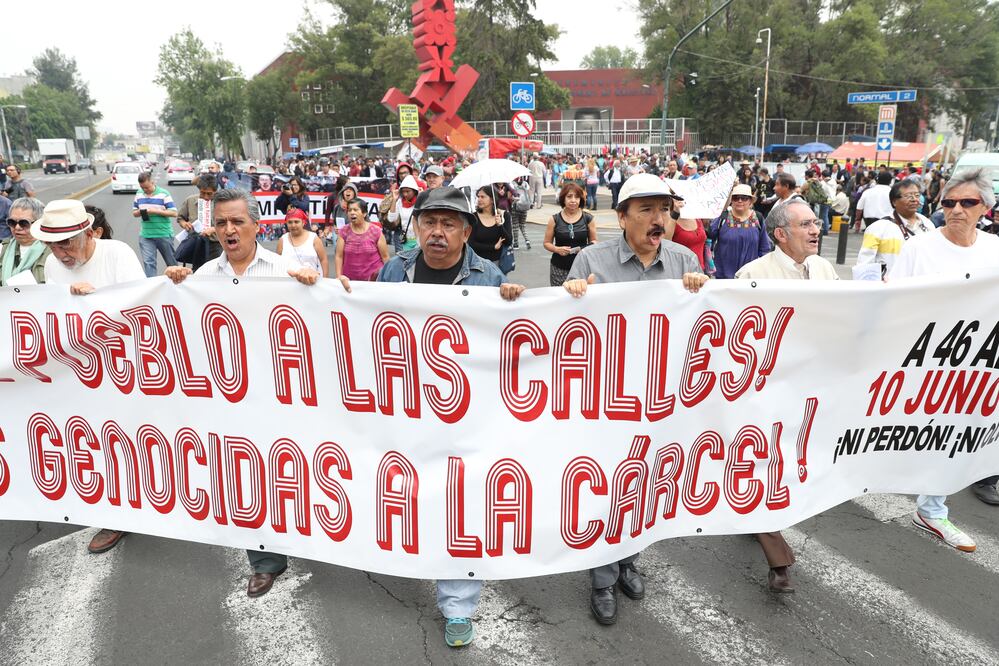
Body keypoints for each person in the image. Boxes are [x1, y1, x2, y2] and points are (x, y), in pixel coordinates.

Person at [342, 186, 525, 647]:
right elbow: (364, 322)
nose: (437, 232)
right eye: (429, 223)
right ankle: (403, 557)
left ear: (465, 232)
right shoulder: (395, 270)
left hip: (465, 416)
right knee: (404, 494)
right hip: (403, 409)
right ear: (417, 227)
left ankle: (458, 605)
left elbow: (510, 343)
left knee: (460, 505)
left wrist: (514, 302)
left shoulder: (488, 277)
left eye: (448, 224)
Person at [561, 173, 708, 626]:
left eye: (664, 209)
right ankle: (603, 578)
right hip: (607, 399)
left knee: (642, 486)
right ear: (622, 217)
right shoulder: (591, 260)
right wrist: (572, 296)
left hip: (660, 400)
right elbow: (562, 328)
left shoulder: (683, 260)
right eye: (646, 210)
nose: (658, 218)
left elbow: (706, 324)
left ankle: (628, 560)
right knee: (607, 488)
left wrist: (703, 290)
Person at [163, 188, 323, 597]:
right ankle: (265, 560)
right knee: (247, 476)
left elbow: (324, 322)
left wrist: (316, 287)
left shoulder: (286, 270)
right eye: (221, 223)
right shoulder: (202, 278)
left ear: (256, 225)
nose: (229, 229)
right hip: (232, 401)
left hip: (283, 396)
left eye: (237, 221)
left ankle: (314, 537)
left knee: (293, 471)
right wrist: (175, 288)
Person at [889, 168, 999, 522]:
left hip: (977, 361)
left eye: (967, 202)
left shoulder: (995, 250)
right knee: (918, 432)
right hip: (924, 358)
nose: (957, 210)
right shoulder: (918, 248)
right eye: (949, 203)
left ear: (985, 207)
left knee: (960, 430)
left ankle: (932, 507)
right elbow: (891, 302)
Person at [735, 200, 839, 280]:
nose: (816, 231)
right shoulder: (753, 275)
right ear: (781, 234)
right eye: (805, 224)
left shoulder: (824, 268)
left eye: (816, 223)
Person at [855, 179, 932, 275]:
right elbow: (864, 265)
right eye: (908, 196)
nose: (914, 199)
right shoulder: (878, 228)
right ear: (894, 201)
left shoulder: (927, 224)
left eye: (917, 195)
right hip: (891, 283)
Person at [708, 184, 771, 279]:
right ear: (731, 200)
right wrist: (720, 212)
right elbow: (711, 235)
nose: (740, 201)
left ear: (750, 201)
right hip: (723, 277)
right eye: (735, 198)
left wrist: (762, 270)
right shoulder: (723, 218)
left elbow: (764, 247)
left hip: (750, 276)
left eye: (744, 198)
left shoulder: (758, 218)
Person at [543, 182, 596, 286]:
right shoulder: (554, 219)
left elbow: (594, 242)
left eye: (577, 197)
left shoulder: (588, 218)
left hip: (582, 268)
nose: (573, 200)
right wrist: (557, 249)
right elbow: (546, 243)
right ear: (563, 198)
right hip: (559, 268)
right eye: (569, 196)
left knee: (580, 294)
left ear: (580, 199)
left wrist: (582, 249)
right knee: (559, 295)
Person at [132, 172, 178, 277]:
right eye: (142, 187)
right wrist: (141, 212)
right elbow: (134, 213)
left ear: (152, 182)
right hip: (146, 235)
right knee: (148, 263)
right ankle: (152, 285)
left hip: (164, 234)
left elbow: (174, 213)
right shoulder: (139, 194)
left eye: (147, 187)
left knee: (172, 263)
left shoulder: (164, 194)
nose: (145, 190)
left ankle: (176, 283)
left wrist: (155, 211)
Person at [176, 174, 222, 271]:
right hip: (197, 243)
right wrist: (184, 224)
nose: (205, 197)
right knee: (198, 271)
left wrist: (213, 229)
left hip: (216, 244)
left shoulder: (223, 203)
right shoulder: (190, 200)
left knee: (217, 271)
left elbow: (229, 222)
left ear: (216, 191)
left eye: (209, 194)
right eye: (202, 193)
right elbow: (180, 218)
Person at [1, 197, 50, 285]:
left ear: (38, 223)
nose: (17, 227)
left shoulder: (54, 251)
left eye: (24, 223)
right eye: (12, 222)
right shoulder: (2, 249)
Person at [335, 199, 388, 280]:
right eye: (349, 210)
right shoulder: (343, 231)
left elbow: (385, 257)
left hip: (374, 281)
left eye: (355, 210)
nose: (352, 213)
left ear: (364, 213)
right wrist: (339, 276)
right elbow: (339, 256)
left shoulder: (376, 231)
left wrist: (388, 279)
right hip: (350, 281)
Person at [276, 207, 328, 276]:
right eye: (290, 222)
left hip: (312, 281)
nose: (293, 225)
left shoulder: (314, 238)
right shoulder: (282, 240)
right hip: (288, 281)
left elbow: (323, 260)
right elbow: (278, 263)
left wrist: (325, 279)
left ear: (303, 222)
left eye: (296, 222)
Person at [468, 186, 512, 267]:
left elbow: (508, 241)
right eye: (478, 197)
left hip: (498, 263)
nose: (479, 199)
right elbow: (470, 243)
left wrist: (500, 225)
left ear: (492, 199)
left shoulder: (504, 215)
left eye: (482, 197)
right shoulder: (473, 217)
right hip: (477, 263)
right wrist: (492, 247)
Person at [387, 175, 422, 252]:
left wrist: (422, 197)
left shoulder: (420, 201)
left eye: (408, 191)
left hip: (420, 240)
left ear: (414, 191)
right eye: (403, 191)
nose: (405, 194)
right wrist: (394, 199)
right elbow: (391, 219)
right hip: (406, 241)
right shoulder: (400, 202)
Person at [510, 177, 532, 249]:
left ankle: (516, 243)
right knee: (522, 225)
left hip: (515, 207)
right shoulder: (525, 184)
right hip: (524, 207)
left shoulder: (512, 184)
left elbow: (510, 197)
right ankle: (527, 240)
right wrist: (530, 203)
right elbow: (529, 195)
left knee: (515, 226)